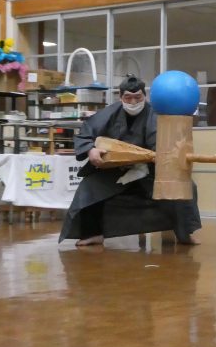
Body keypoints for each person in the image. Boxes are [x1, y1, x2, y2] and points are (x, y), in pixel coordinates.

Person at [59, 75, 202, 246]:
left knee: (185, 187)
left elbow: (170, 145)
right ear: (120, 97)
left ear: (145, 96)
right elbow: (85, 134)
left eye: (138, 97)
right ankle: (93, 233)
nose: (133, 102)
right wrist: (91, 150)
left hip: (150, 170)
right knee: (88, 188)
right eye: (128, 97)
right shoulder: (109, 113)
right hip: (115, 170)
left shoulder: (157, 114)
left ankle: (184, 232)